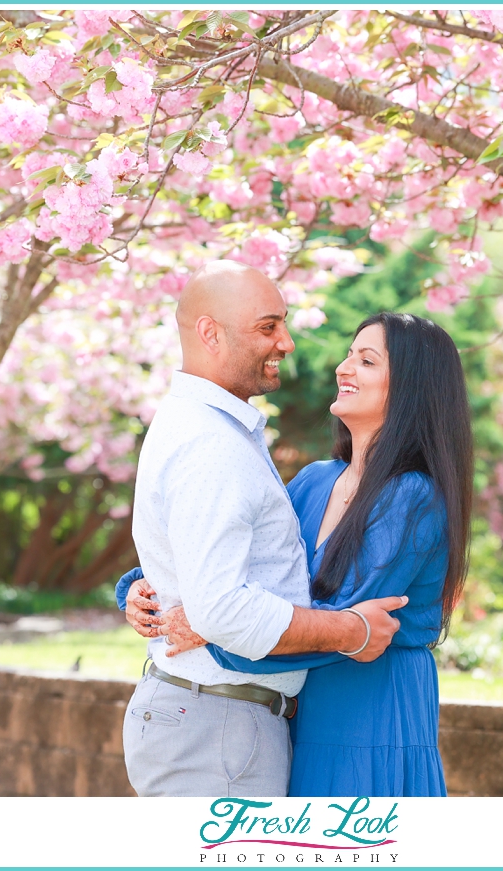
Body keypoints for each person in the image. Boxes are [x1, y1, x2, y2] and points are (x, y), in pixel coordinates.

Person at [121, 311, 473, 797]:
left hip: (367, 717)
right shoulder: (315, 479)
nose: (343, 368)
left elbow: (344, 619)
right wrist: (146, 586)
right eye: (349, 354)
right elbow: (253, 562)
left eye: (366, 361)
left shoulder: (412, 496)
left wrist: (211, 624)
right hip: (292, 713)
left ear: (413, 388)